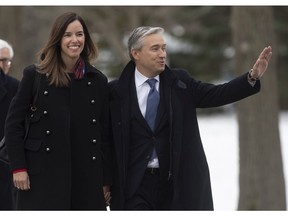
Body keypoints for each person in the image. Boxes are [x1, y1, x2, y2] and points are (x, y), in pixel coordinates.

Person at [108, 26, 272, 210]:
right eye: (155, 49)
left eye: (164, 48)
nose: (162, 54)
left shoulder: (180, 83)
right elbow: (104, 142)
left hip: (174, 185)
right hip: (133, 186)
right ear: (135, 53)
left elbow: (217, 94)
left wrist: (251, 77)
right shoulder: (114, 92)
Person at [4, 12, 112, 210]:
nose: (74, 40)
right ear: (57, 39)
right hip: (39, 177)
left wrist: (106, 180)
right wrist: (19, 168)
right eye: (67, 35)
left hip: (86, 178)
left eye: (79, 34)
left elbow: (104, 134)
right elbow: (13, 125)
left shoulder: (98, 80)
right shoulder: (34, 75)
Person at [0, 39, 19, 210]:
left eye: (7, 60)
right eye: (1, 60)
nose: (5, 64)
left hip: (5, 163)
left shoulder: (16, 88)